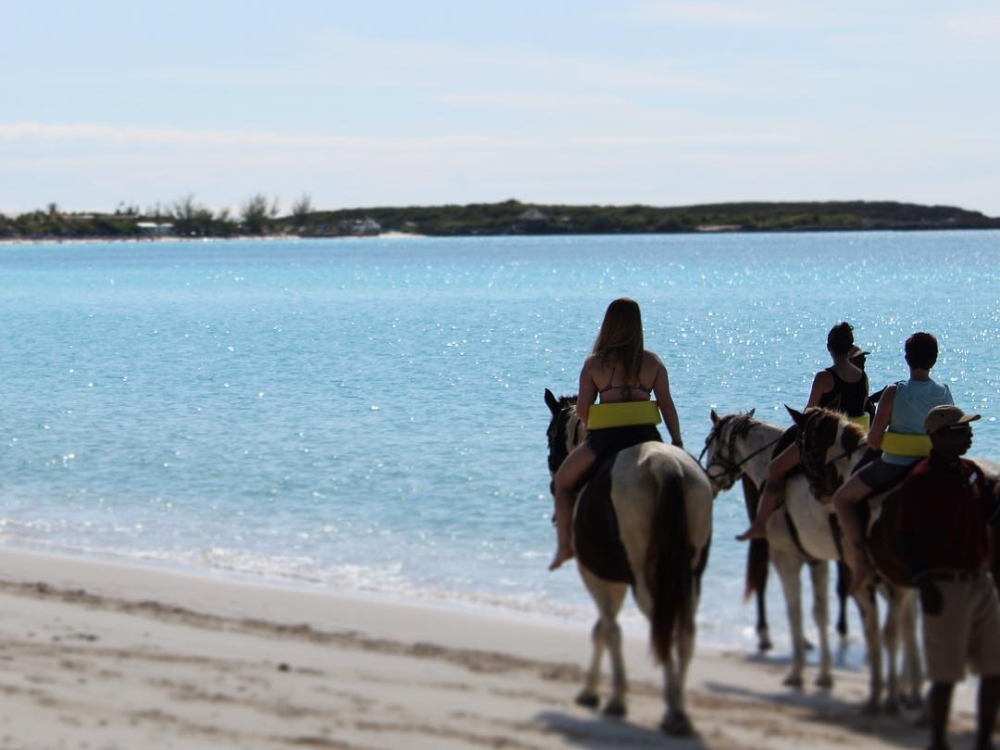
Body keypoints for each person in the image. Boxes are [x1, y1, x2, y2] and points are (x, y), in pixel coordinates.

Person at [549, 298, 682, 571]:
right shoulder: (652, 362)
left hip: (606, 439)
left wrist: (599, 423)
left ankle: (564, 547)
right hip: (648, 437)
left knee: (562, 482)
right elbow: (667, 405)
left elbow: (583, 410)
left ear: (608, 324)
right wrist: (677, 440)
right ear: (638, 325)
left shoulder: (594, 365)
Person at [895, 405, 1000, 750]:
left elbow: (989, 513)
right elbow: (906, 536)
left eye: (967, 429)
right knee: (945, 675)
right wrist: (924, 582)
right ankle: (938, 742)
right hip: (944, 585)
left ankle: (984, 741)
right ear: (938, 436)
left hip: (980, 582)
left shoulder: (971, 471)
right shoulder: (921, 480)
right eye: (960, 430)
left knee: (994, 669)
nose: (969, 434)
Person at [832, 331, 954, 595]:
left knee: (842, 500)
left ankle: (862, 563)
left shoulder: (893, 392)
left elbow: (874, 441)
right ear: (934, 360)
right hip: (932, 466)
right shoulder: (945, 394)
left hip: (895, 465)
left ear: (907, 359)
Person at [736, 321, 869, 541]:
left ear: (829, 347)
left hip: (826, 440)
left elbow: (810, 414)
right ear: (850, 348)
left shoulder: (824, 377)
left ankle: (760, 524)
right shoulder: (862, 376)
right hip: (852, 442)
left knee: (775, 469)